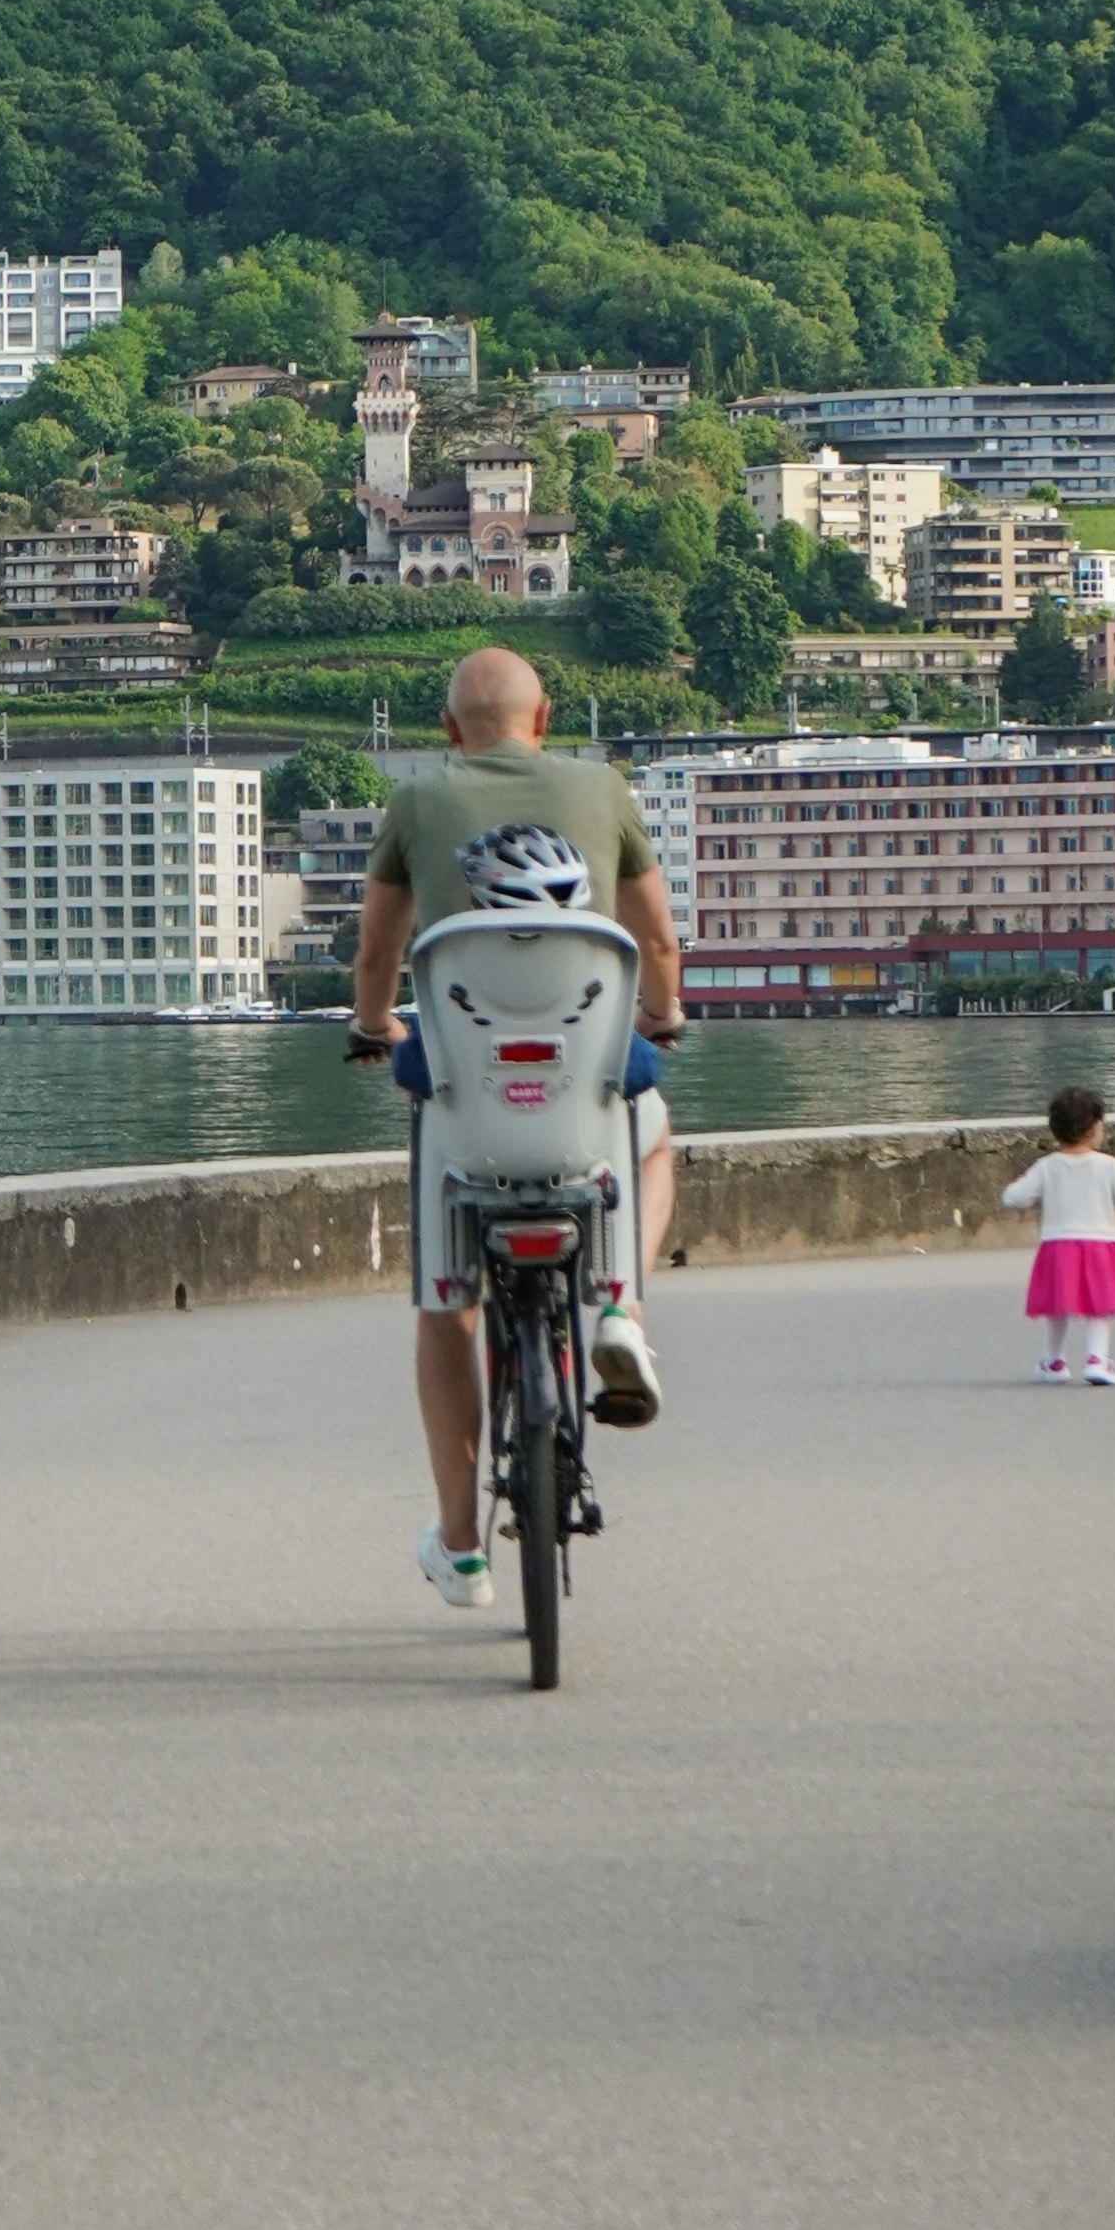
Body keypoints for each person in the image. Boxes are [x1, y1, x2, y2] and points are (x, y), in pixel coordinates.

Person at [350, 646, 683, 1610]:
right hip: (584, 1088)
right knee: (653, 1142)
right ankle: (618, 1302)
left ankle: (460, 1544)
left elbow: (378, 950)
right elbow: (655, 940)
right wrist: (661, 1013)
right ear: (544, 721)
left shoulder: (416, 801)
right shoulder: (601, 785)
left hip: (464, 1095)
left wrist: (373, 1030)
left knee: (445, 1301)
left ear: (449, 732)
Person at [1002, 1083, 1115, 1382]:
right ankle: (1097, 1359)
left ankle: (1054, 1361)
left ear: (1055, 1130)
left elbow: (1015, 1197)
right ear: (1095, 1128)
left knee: (1058, 1304)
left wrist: (1010, 1193)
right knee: (1099, 1306)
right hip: (1102, 1244)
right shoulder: (1108, 1165)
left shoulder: (1047, 1166)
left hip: (1058, 1245)